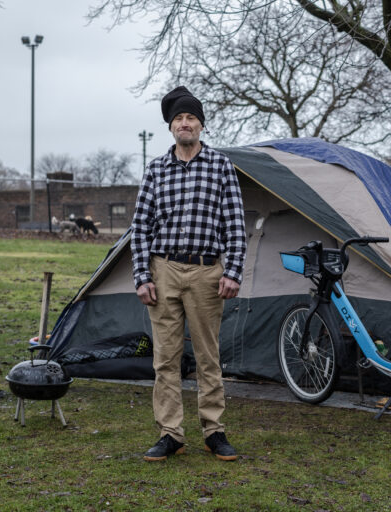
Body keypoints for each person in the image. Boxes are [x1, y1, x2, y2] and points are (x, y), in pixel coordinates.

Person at [131, 86, 247, 462]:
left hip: (206, 272)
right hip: (162, 270)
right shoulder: (156, 170)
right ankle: (170, 433)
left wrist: (233, 271)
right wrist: (141, 277)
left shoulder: (220, 166)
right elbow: (140, 228)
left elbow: (235, 225)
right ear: (170, 127)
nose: (185, 123)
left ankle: (214, 430)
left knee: (207, 355)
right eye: (179, 118)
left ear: (201, 125)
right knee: (165, 357)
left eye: (192, 118)